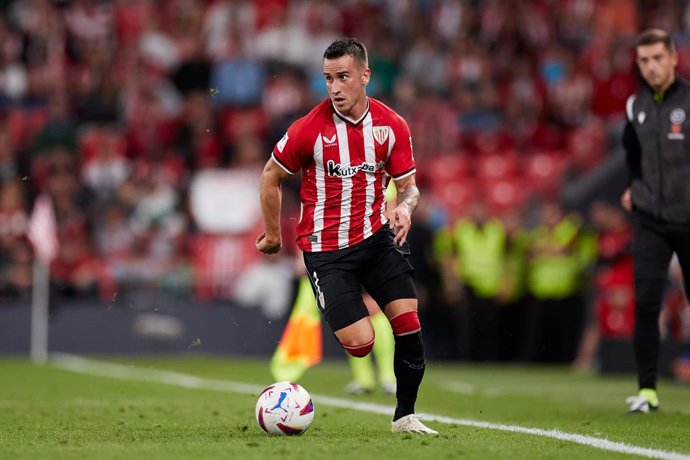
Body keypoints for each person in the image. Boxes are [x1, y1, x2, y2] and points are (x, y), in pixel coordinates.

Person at [256, 38, 437, 435]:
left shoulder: (392, 126)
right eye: (327, 79)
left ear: (365, 76)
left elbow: (409, 187)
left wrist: (404, 208)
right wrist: (273, 235)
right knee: (361, 343)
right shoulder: (308, 129)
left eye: (343, 77)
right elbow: (272, 175)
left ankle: (404, 416)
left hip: (375, 240)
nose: (335, 88)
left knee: (408, 323)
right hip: (326, 251)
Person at [621, 28, 690, 413]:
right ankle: (647, 391)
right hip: (649, 219)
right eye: (644, 60)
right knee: (646, 302)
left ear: (674, 58)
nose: (651, 66)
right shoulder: (635, 106)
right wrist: (633, 188)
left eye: (657, 58)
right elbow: (632, 157)